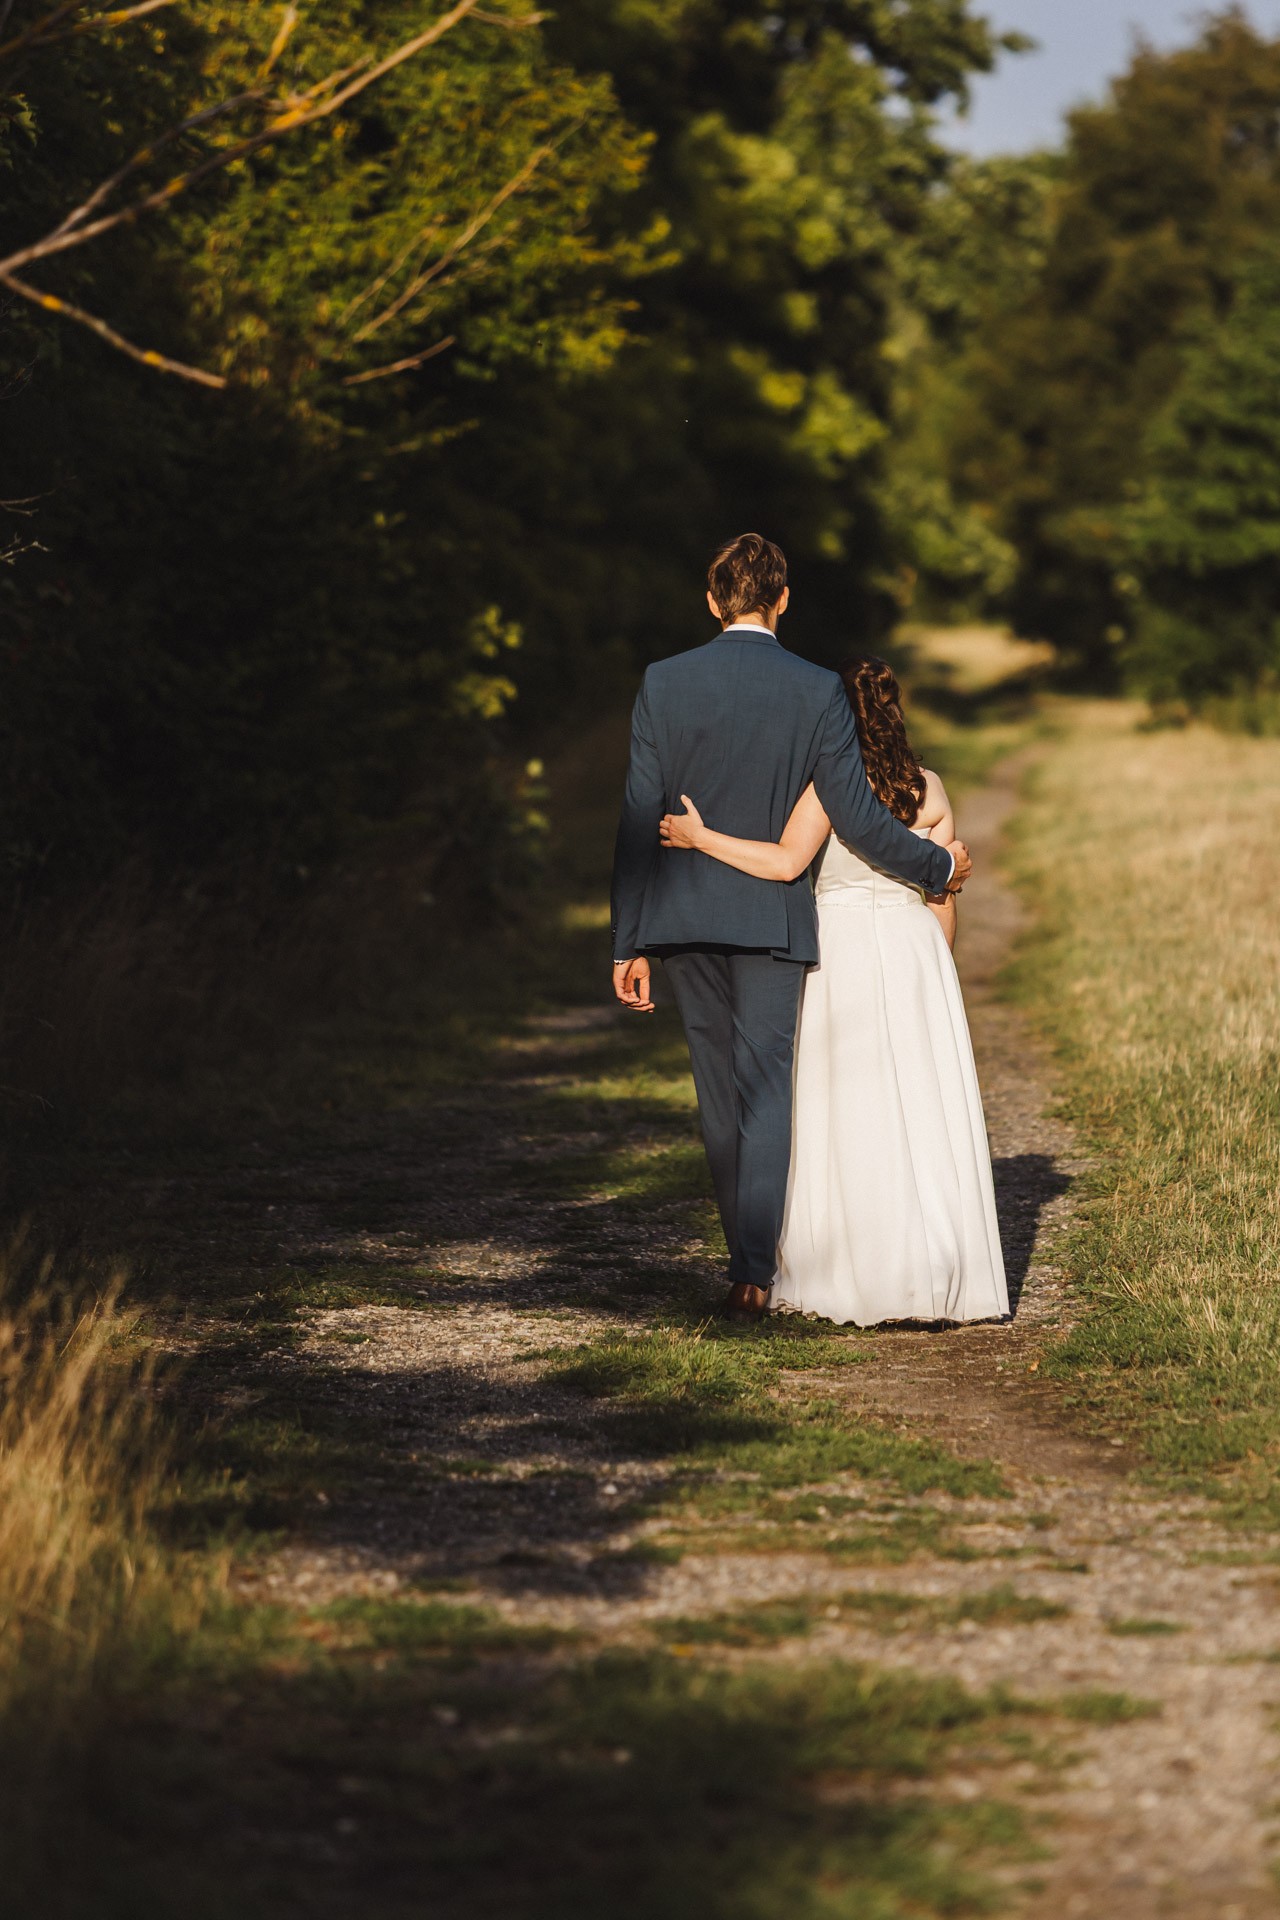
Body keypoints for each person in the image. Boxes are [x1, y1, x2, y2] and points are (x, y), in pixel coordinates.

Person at [609, 533, 971, 1319]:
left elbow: (639, 814)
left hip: (681, 916)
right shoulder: (815, 688)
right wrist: (936, 866)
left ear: (713, 601)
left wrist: (627, 941)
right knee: (767, 1087)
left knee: (717, 1096)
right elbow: (858, 818)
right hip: (770, 921)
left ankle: (742, 1259)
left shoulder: (663, 680)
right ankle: (754, 1274)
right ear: (782, 600)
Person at [660, 655, 1008, 1325]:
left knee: (843, 1106)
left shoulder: (826, 787)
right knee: (917, 1106)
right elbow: (942, 897)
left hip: (841, 950)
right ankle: (928, 1267)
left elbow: (784, 863)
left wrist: (702, 838)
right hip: (912, 951)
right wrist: (936, 974)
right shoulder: (930, 789)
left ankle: (846, 1269)